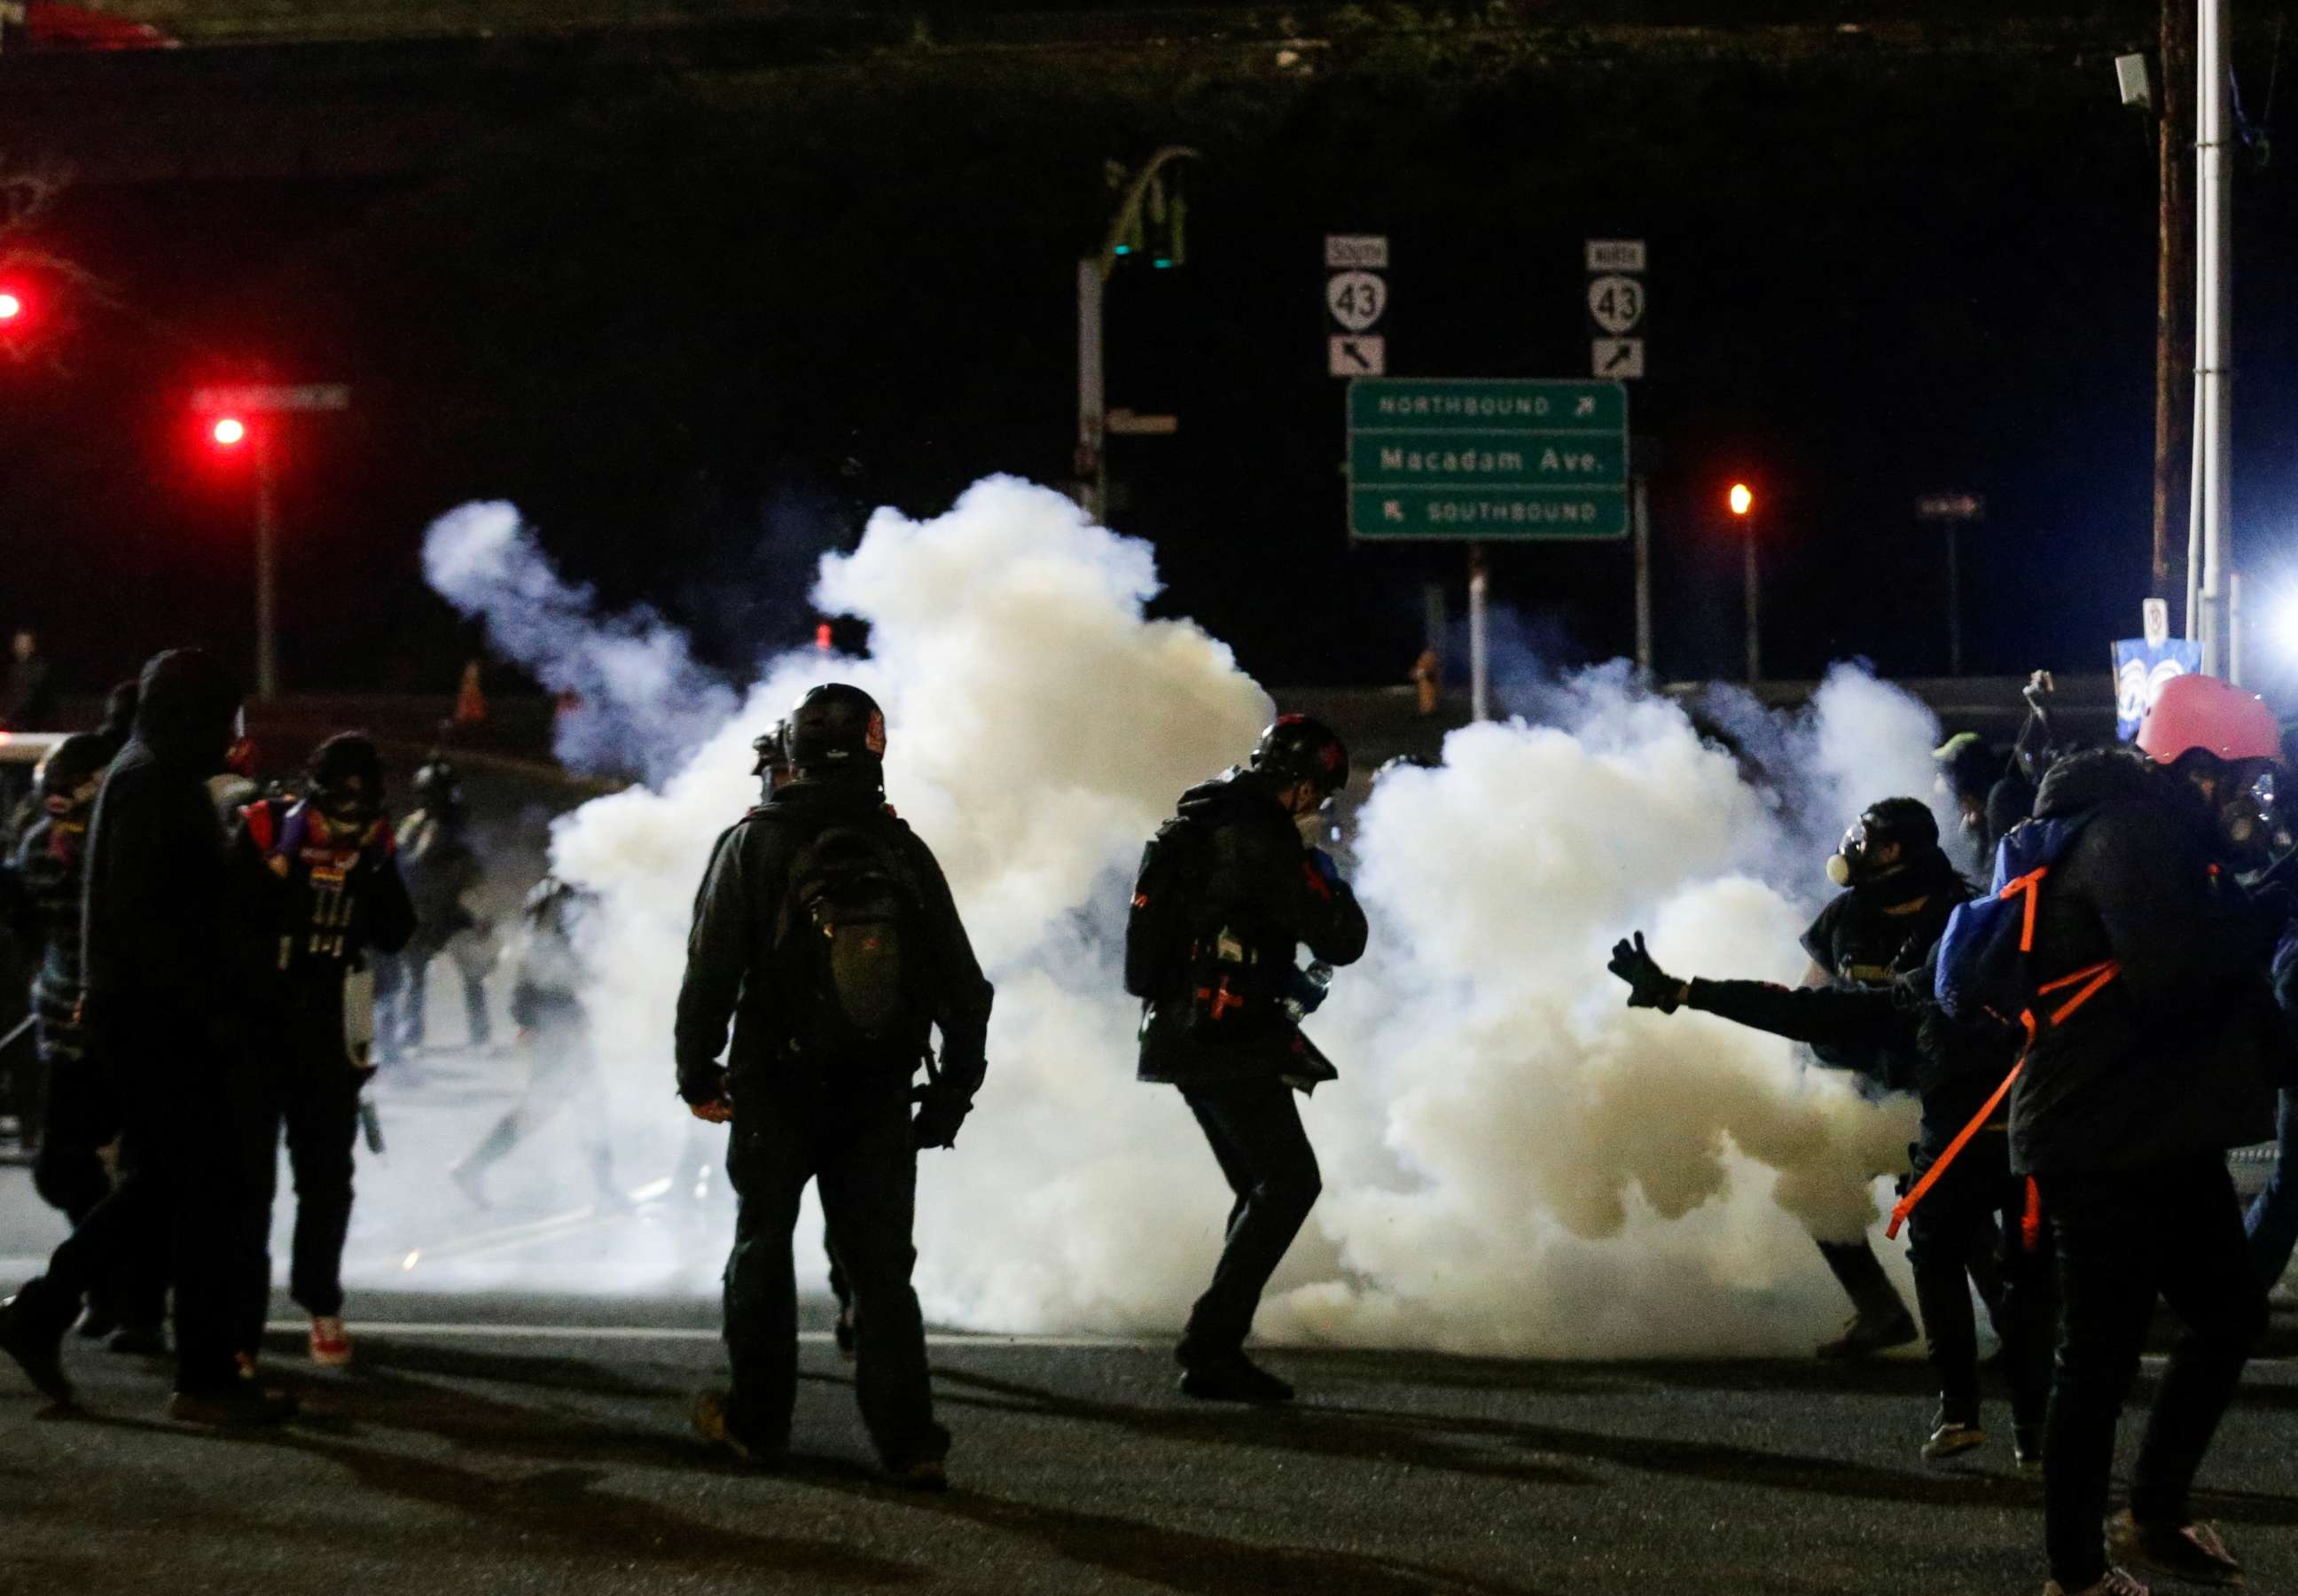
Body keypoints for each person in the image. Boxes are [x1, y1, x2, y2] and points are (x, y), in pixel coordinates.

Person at [1608, 798, 2054, 1469]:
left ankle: (2005, 1404)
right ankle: (1973, 1390)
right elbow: (1809, 1004)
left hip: (1962, 1111)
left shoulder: (1959, 925)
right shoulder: (1858, 922)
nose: (1855, 849)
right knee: (1833, 1185)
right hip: (1904, 1098)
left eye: (1872, 841)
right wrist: (1685, 992)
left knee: (1966, 1242)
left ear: (1899, 850)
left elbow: (1830, 1007)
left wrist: (1689, 992)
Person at [675, 684, 991, 1487]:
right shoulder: (900, 848)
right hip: (879, 1090)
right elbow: (966, 987)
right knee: (882, 1273)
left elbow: (710, 973)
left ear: (792, 753)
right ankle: (911, 1444)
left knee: (762, 1249)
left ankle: (758, 1426)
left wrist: (696, 1072)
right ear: (879, 750)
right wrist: (953, 1092)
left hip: (774, 1086)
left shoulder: (754, 842)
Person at [2014, 674, 2286, 1596]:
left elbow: (2223, 987)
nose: (2255, 803)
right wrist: (2273, 901)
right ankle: (2075, 1575)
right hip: (2100, 1137)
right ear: (2199, 769)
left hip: (2158, 1129)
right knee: (2097, 1361)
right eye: (2246, 782)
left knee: (2230, 1311)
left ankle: (2153, 1516)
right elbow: (2175, 981)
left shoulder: (2164, 836)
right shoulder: (2135, 833)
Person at [0, 648, 292, 1424]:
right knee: (202, 1195)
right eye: (225, 715)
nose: (232, 734)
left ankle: (44, 1310)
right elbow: (161, 922)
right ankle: (201, 1382)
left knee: (163, 1187)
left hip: (149, 1016)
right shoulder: (156, 782)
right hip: (164, 1021)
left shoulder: (147, 772)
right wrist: (218, 1011)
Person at [1135, 713, 1368, 1404]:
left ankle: (1215, 1342)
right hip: (1227, 1038)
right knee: (1290, 1184)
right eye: (1318, 796)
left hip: (1180, 1032)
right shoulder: (1262, 840)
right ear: (1298, 789)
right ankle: (1210, 1347)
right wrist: (1323, 875)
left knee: (1262, 1186)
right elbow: (1344, 938)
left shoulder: (1204, 820)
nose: (1317, 810)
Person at [237, 732, 415, 1368]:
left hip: (334, 1013)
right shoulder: (261, 826)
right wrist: (285, 867)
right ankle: (238, 1321)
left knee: (327, 1178)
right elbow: (232, 919)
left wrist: (368, 866)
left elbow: (394, 935)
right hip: (259, 1020)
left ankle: (320, 1300)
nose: (344, 824)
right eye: (336, 810)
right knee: (246, 1181)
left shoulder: (376, 842)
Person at [4, 735, 167, 1354]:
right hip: (65, 1035)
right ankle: (105, 1279)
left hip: (127, 1032)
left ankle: (140, 1309)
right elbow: (32, 933)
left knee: (138, 1175)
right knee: (59, 1169)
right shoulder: (36, 851)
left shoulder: (128, 848)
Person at [449, 876, 624, 1212]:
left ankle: (472, 1168)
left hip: (558, 1014)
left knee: (563, 1103)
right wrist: (530, 1016)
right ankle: (605, 1191)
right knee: (571, 1103)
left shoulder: (556, 895)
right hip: (557, 1016)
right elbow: (542, 958)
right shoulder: (564, 899)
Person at [383, 757, 490, 1055]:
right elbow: (405, 861)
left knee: (472, 973)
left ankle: (480, 1035)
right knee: (414, 975)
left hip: (452, 908)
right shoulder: (415, 823)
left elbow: (474, 871)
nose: (430, 800)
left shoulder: (459, 827)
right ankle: (412, 1035)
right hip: (423, 910)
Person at [4, 630, 56, 731]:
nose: (20, 646)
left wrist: (7, 717)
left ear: (32, 647)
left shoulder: (39, 669)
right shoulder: (11, 668)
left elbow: (30, 698)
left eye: (24, 643)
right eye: (18, 642)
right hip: (16, 723)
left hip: (34, 725)